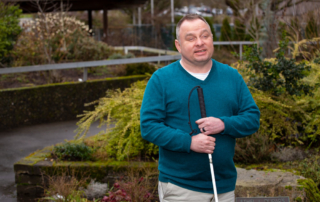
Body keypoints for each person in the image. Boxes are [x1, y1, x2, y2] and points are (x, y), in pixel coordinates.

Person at [140, 14, 260, 202]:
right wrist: (189, 142)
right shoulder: (161, 80)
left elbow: (252, 118)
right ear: (178, 45)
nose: (199, 43)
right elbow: (149, 126)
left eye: (205, 36)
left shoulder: (232, 77)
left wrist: (223, 124)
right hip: (181, 188)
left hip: (225, 186)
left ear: (212, 39)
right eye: (191, 38)